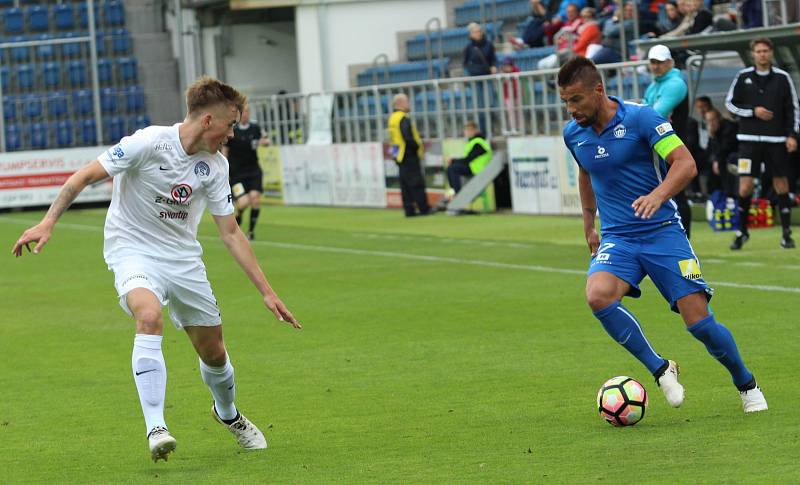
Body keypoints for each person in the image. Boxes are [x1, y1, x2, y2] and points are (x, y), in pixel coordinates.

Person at [12, 76, 302, 462]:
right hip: (132, 250)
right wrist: (48, 222)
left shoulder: (215, 167)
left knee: (214, 353)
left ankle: (228, 415)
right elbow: (83, 177)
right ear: (207, 121)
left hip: (183, 259)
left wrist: (267, 292)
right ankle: (156, 427)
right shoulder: (147, 143)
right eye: (230, 124)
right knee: (148, 316)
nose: (232, 133)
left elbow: (230, 232)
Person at [558, 56, 767, 414]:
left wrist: (657, 195)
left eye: (576, 99)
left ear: (598, 90)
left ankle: (746, 383)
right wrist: (589, 223)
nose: (570, 108)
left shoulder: (641, 117)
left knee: (700, 322)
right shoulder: (573, 133)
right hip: (619, 238)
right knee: (598, 296)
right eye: (565, 101)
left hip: (663, 233)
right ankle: (660, 368)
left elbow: (685, 163)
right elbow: (585, 174)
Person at [725, 37, 799, 249]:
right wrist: (752, 111)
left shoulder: (783, 78)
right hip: (748, 141)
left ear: (771, 52)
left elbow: (793, 108)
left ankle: (786, 234)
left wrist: (792, 135)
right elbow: (730, 103)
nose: (762, 54)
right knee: (745, 185)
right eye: (758, 51)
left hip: (776, 141)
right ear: (753, 54)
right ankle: (742, 231)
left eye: (766, 50)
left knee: (781, 184)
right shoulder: (743, 76)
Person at [642, 44, 694, 238]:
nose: (656, 66)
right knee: (667, 193)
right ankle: (671, 236)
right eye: (653, 62)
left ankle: (684, 238)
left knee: (677, 193)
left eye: (660, 62)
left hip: (675, 148)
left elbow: (655, 114)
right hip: (661, 147)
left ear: (670, 62)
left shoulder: (675, 84)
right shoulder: (654, 85)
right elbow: (646, 113)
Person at [222, 103, 270, 240]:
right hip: (237, 174)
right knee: (243, 203)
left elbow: (267, 140)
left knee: (255, 199)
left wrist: (263, 142)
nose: (246, 114)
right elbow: (225, 150)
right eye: (244, 112)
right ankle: (239, 215)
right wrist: (224, 168)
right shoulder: (233, 130)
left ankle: (250, 232)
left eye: (248, 111)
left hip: (254, 171)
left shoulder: (255, 128)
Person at [387, 93, 432, 217]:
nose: (409, 104)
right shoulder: (402, 118)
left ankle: (409, 210)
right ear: (400, 103)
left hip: (399, 155)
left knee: (405, 185)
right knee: (416, 182)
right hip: (408, 154)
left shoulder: (392, 118)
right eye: (407, 101)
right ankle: (424, 208)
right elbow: (407, 137)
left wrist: (396, 156)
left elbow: (394, 139)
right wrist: (417, 147)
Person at [463, 22, 497, 134]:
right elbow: (465, 63)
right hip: (475, 78)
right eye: (474, 32)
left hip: (487, 77)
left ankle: (491, 126)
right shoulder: (468, 48)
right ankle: (483, 130)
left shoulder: (488, 44)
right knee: (479, 106)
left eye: (479, 31)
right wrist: (470, 72)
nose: (477, 33)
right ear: (470, 34)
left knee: (490, 103)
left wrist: (493, 67)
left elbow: (493, 59)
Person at [445, 120, 493, 195]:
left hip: (478, 168)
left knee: (452, 169)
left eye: (470, 130)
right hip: (474, 166)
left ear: (476, 130)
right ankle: (454, 191)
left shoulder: (478, 142)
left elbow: (469, 159)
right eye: (466, 130)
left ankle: (457, 193)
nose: (468, 132)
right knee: (452, 167)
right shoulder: (474, 141)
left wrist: (453, 160)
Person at [706, 108, 739, 196]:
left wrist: (716, 160)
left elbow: (725, 148)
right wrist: (712, 136)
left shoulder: (728, 127)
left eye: (713, 120)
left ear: (719, 118)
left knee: (721, 164)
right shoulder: (713, 131)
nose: (711, 123)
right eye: (709, 121)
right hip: (724, 157)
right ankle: (715, 194)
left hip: (733, 156)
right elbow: (710, 150)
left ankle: (728, 194)